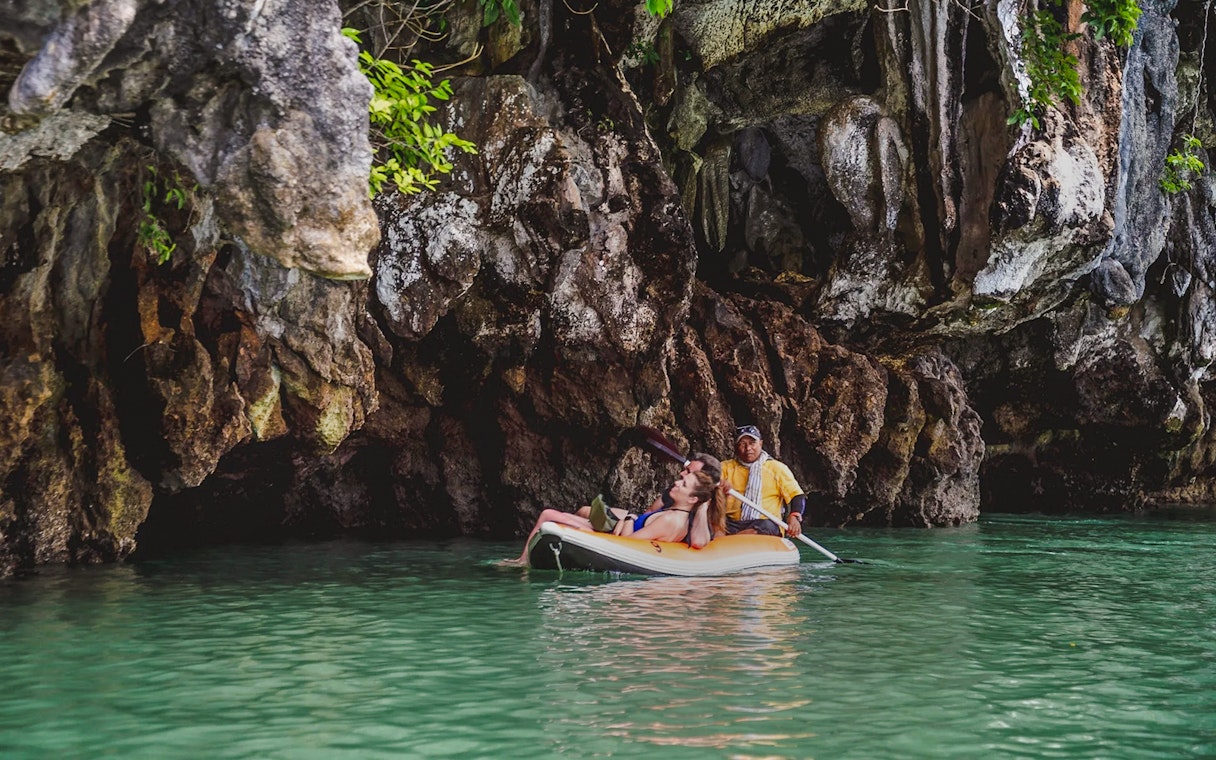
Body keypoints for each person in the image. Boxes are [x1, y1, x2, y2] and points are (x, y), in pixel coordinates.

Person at [509, 469, 719, 564]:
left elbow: (627, 544)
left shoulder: (671, 520)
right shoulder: (673, 514)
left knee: (548, 515)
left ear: (692, 499)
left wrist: (628, 519)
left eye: (683, 485)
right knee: (560, 514)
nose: (676, 483)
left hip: (612, 539)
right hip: (614, 531)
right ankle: (523, 559)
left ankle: (522, 562)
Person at [720, 424, 807, 538]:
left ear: (760, 443)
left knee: (767, 525)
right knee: (712, 522)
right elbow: (707, 485)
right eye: (742, 444)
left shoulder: (776, 468)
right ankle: (731, 539)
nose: (748, 448)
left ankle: (730, 540)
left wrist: (794, 516)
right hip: (733, 523)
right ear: (736, 447)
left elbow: (797, 495)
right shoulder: (725, 467)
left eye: (752, 443)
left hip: (762, 524)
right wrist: (719, 486)